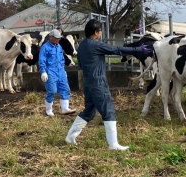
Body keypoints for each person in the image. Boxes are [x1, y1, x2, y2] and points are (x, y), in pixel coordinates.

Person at [65, 19, 153, 151]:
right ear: (96, 32)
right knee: (108, 111)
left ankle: (70, 136)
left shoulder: (82, 45)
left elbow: (82, 65)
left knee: (89, 111)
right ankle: (113, 145)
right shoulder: (95, 44)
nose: (100, 33)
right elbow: (116, 49)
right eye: (100, 31)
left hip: (87, 81)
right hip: (98, 82)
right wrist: (138, 50)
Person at [39, 29, 75, 116]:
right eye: (56, 38)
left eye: (59, 38)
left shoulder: (59, 46)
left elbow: (62, 59)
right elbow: (42, 60)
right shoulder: (45, 47)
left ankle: (65, 108)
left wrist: (63, 70)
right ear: (51, 37)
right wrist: (43, 72)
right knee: (52, 91)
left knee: (65, 89)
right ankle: (48, 110)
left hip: (61, 71)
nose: (58, 40)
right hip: (50, 72)